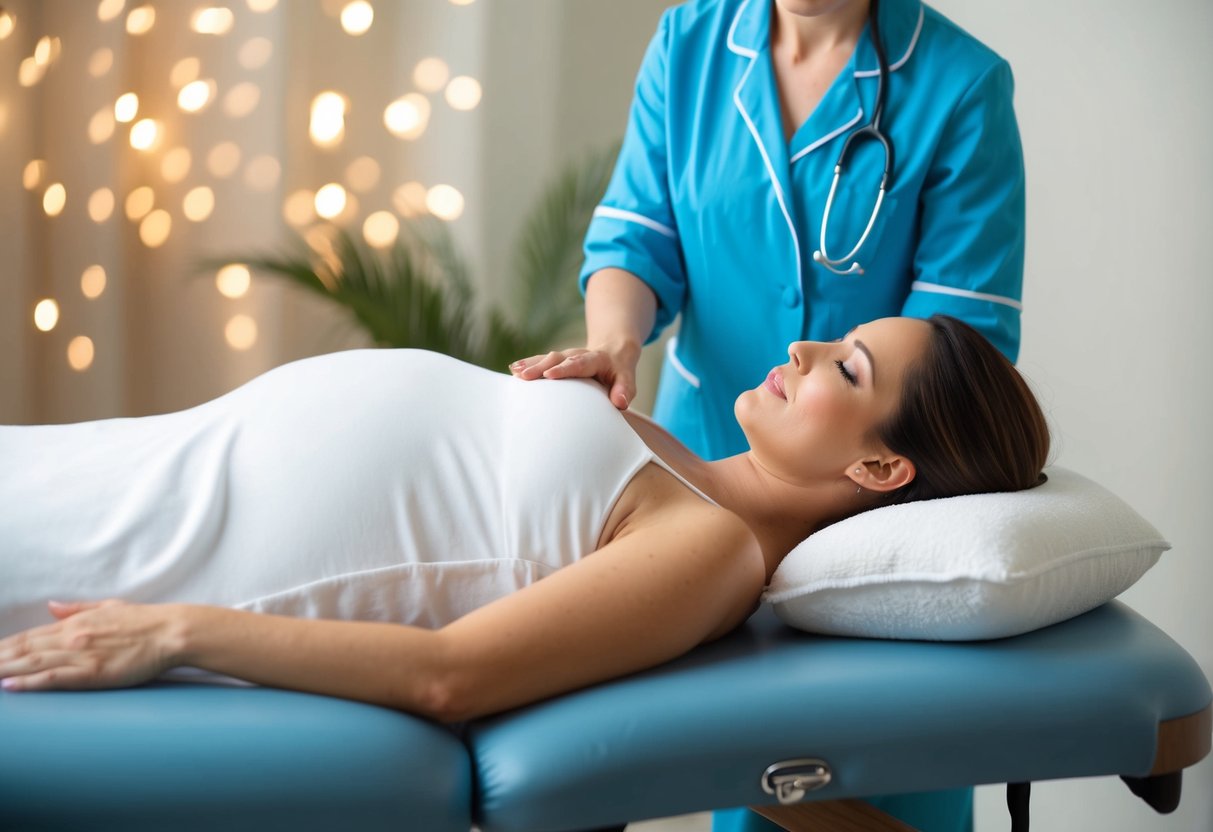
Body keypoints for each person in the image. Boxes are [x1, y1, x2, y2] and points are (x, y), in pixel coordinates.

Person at [0, 317, 1047, 730]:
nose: (809, 346)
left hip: (169, 549)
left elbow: (448, 674)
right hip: (163, 457)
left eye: (849, 369)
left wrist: (172, 629)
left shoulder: (714, 552)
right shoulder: (667, 451)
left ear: (879, 464)